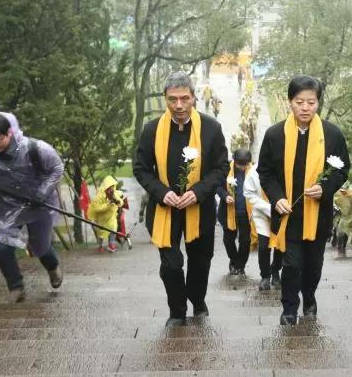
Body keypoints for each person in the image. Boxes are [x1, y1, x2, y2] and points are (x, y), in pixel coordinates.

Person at [134, 71, 229, 326]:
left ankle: (198, 301)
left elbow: (221, 168)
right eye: (172, 99)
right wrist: (161, 192)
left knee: (200, 262)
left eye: (184, 99)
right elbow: (141, 168)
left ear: (194, 98)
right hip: (165, 209)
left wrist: (197, 192)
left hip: (200, 208)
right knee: (171, 265)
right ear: (165, 99)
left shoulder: (211, 128)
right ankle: (176, 311)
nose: (179, 106)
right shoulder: (152, 129)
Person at [258, 75, 350, 325]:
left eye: (311, 102)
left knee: (313, 265)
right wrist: (276, 198)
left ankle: (309, 296)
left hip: (318, 214)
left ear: (317, 103)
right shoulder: (275, 134)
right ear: (290, 102)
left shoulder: (332, 135)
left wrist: (325, 188)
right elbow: (264, 172)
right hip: (288, 215)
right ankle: (289, 308)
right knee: (291, 264)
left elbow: (342, 170)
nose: (305, 107)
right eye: (300, 102)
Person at [0, 113, 64, 302]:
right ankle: (16, 286)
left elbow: (57, 168)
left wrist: (43, 191)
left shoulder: (35, 148)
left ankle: (53, 268)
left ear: (9, 133)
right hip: (6, 206)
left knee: (40, 246)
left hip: (37, 204)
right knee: (3, 248)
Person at [243, 164, 282, 291]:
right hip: (262, 212)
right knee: (264, 246)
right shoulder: (254, 171)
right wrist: (267, 207)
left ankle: (275, 271)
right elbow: (248, 192)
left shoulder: (283, 164)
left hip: (281, 211)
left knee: (280, 245)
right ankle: (265, 276)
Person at [216, 148, 253, 277]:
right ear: (234, 161)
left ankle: (240, 266)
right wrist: (225, 195)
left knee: (245, 241)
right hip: (228, 212)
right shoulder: (226, 170)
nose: (243, 167)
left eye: (245, 164)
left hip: (246, 213)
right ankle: (234, 260)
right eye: (240, 165)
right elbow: (218, 186)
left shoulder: (254, 171)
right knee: (228, 240)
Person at [87, 176, 123, 253]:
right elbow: (97, 208)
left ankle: (111, 244)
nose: (111, 189)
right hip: (100, 218)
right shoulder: (99, 197)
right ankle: (100, 246)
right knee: (101, 232)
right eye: (109, 187)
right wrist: (108, 205)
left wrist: (117, 201)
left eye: (112, 187)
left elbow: (120, 203)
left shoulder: (114, 194)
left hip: (111, 217)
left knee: (113, 228)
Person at [333, 182, 352, 258]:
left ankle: (343, 248)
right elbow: (334, 202)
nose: (343, 192)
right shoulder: (338, 192)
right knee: (340, 232)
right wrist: (336, 208)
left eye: (345, 190)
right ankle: (339, 249)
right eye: (342, 190)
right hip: (342, 216)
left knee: (346, 233)